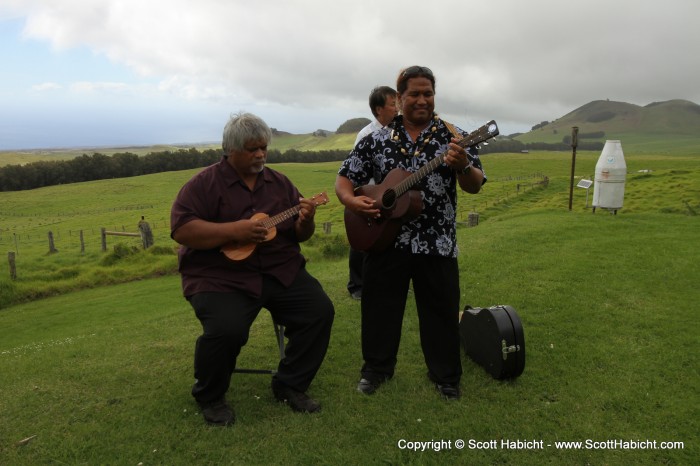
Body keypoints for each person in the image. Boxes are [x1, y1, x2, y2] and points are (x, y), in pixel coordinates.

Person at [171, 112, 335, 426]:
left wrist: (306, 220)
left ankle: (290, 384)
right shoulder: (203, 185)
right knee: (225, 329)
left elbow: (300, 235)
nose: (260, 154)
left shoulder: (279, 183)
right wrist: (235, 232)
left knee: (319, 311)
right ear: (230, 149)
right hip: (219, 275)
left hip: (278, 269)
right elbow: (183, 230)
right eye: (252, 149)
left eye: (263, 148)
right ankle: (210, 396)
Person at [335, 66, 486, 400]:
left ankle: (446, 377)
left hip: (437, 242)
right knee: (378, 310)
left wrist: (461, 164)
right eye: (414, 94)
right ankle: (376, 370)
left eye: (428, 94)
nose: (422, 100)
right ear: (399, 98)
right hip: (384, 239)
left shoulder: (454, 136)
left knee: (441, 312)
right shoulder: (376, 139)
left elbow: (474, 184)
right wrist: (354, 202)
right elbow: (345, 178)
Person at [347, 86, 399, 300]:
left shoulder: (399, 131)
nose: (398, 108)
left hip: (390, 194)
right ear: (379, 109)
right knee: (362, 239)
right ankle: (357, 285)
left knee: (385, 238)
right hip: (369, 193)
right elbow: (354, 170)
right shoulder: (366, 134)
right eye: (393, 104)